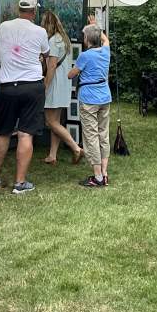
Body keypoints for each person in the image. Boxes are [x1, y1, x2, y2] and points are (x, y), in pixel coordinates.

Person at [0, 0, 50, 194]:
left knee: (3, 131)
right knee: (26, 133)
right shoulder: (40, 31)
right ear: (34, 11)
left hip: (8, 85)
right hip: (31, 85)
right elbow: (46, 54)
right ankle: (20, 182)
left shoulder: (5, 27)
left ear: (18, 9)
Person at [69, 23, 112, 187]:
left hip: (89, 99)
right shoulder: (105, 52)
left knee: (91, 136)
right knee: (103, 134)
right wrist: (96, 26)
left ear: (87, 40)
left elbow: (71, 75)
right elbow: (106, 40)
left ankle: (97, 176)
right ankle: (105, 172)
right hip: (104, 97)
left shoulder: (84, 56)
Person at [42, 10, 84, 165]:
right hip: (64, 84)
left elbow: (52, 66)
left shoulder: (53, 41)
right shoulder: (64, 40)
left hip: (54, 83)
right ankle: (52, 155)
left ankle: (75, 148)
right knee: (56, 120)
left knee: (50, 122)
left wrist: (46, 85)